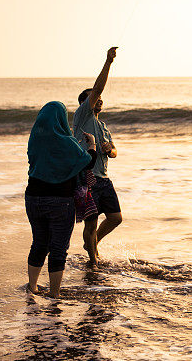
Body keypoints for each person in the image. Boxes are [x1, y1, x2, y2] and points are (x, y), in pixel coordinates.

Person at [25, 101, 97, 298]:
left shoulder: (34, 139)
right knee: (58, 248)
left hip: (32, 198)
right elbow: (88, 162)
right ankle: (54, 294)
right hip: (60, 200)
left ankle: (32, 287)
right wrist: (92, 145)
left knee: (39, 243)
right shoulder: (66, 142)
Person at [73, 46, 121, 268]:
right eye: (95, 97)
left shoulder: (102, 125)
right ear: (87, 102)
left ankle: (92, 245)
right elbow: (97, 88)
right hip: (87, 178)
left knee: (115, 218)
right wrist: (108, 62)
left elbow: (115, 152)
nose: (99, 99)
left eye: (101, 98)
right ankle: (93, 261)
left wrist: (110, 149)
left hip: (104, 178)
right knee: (90, 224)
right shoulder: (83, 116)